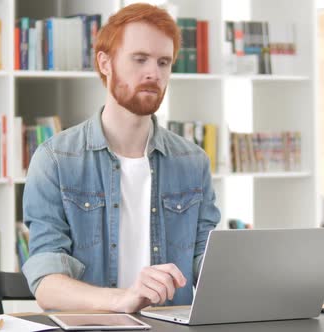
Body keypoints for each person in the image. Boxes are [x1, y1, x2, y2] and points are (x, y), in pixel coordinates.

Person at [22, 3, 221, 314]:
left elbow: (205, 263)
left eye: (163, 62)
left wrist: (251, 277)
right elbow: (47, 282)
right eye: (140, 59)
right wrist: (122, 299)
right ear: (105, 63)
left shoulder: (193, 161)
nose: (153, 73)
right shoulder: (55, 160)